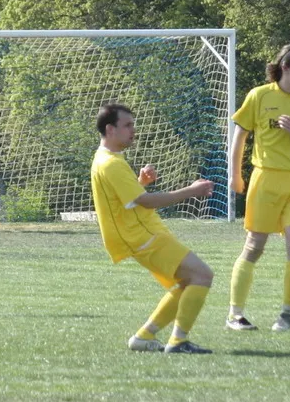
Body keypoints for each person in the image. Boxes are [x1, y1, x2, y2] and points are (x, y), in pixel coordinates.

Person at [91, 103, 215, 354]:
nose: (133, 130)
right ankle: (178, 342)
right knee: (202, 275)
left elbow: (126, 200)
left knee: (189, 280)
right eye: (127, 125)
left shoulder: (106, 159)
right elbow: (145, 202)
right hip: (143, 236)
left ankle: (144, 337)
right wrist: (192, 191)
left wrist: (140, 183)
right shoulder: (111, 163)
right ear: (110, 129)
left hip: (141, 234)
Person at [226, 45, 290, 332]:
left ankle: (286, 314)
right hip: (266, 178)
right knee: (254, 245)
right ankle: (235, 314)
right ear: (286, 67)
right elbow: (239, 135)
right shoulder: (259, 95)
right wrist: (235, 175)